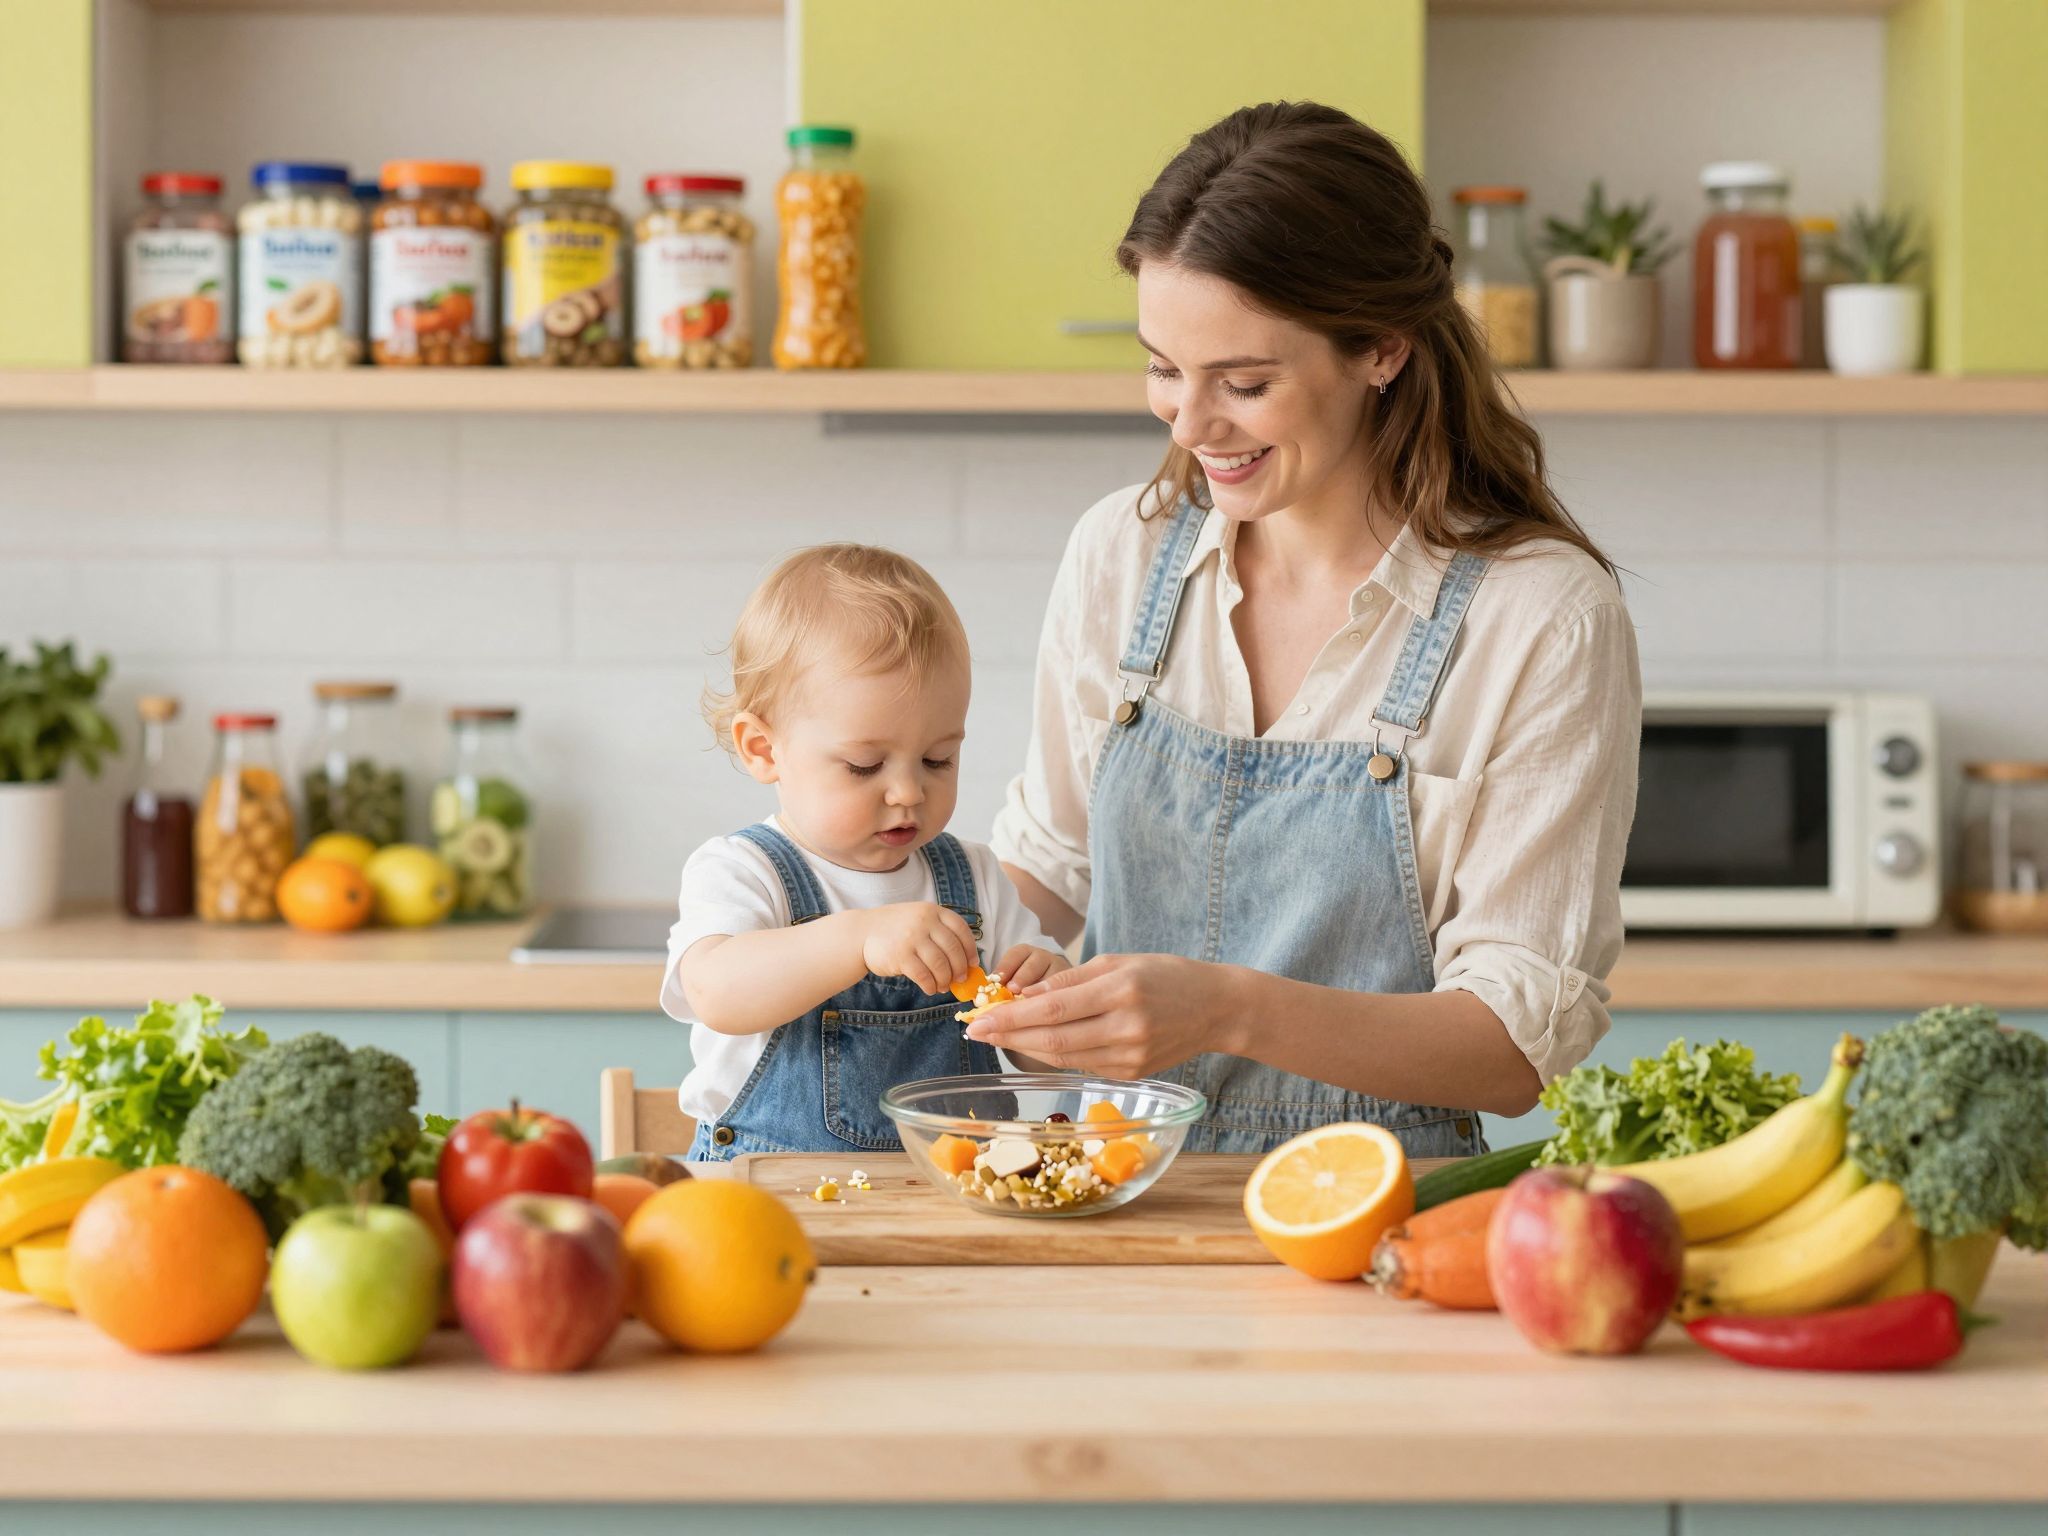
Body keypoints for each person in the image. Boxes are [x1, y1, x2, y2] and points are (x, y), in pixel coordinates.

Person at [975, 101, 1642, 1156]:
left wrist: (1229, 1010)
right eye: (1161, 368)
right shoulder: (1121, 551)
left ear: (1379, 349)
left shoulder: (1540, 617)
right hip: (1110, 1189)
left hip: (1372, 1218)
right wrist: (894, 917)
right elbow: (1047, 869)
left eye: (1243, 383)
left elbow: (1512, 1049)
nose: (1190, 428)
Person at [661, 544, 1069, 1159]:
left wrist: (1048, 1000)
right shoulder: (743, 871)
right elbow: (718, 994)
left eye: (939, 759)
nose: (908, 791)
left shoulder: (977, 878)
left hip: (951, 1207)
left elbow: (1042, 1058)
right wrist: (857, 940)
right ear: (763, 749)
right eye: (864, 765)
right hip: (771, 1204)